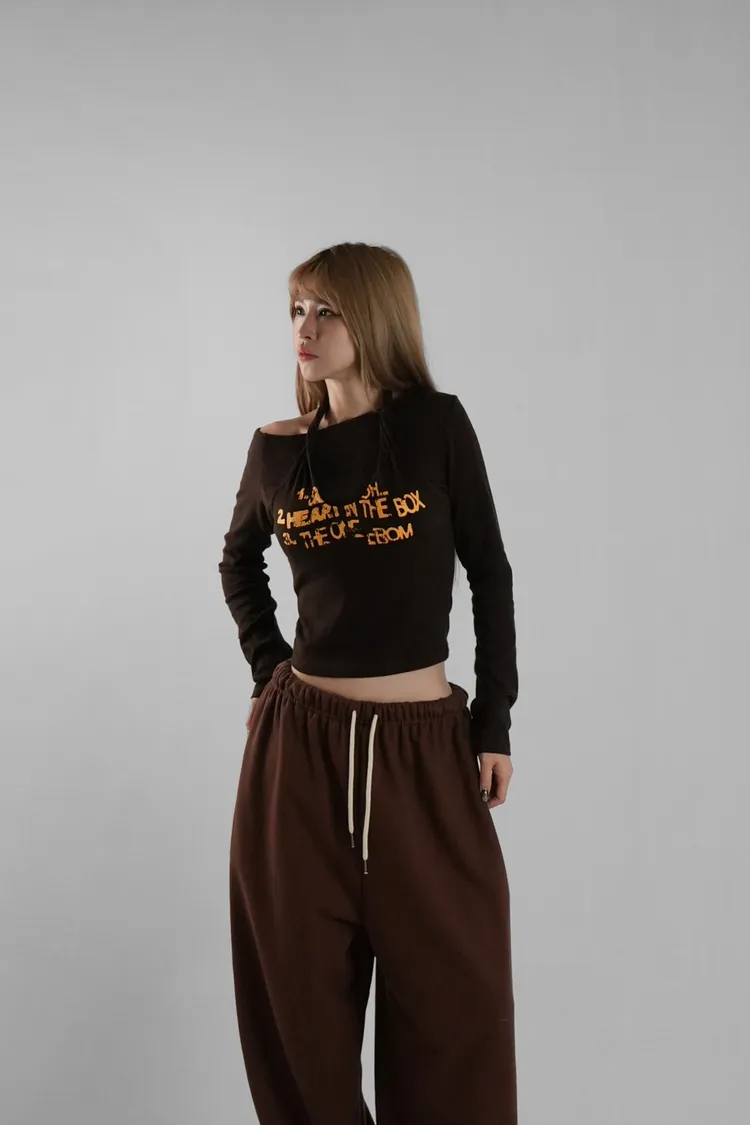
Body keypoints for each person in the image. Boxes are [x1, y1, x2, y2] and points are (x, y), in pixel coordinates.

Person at [218, 241, 519, 1124]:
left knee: (456, 1016)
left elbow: (491, 572)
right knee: (298, 1022)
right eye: (295, 310)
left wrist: (494, 721)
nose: (303, 329)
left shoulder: (436, 427)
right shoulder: (275, 450)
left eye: (326, 310)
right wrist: (269, 669)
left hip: (425, 754)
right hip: (299, 757)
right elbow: (237, 561)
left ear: (375, 319)